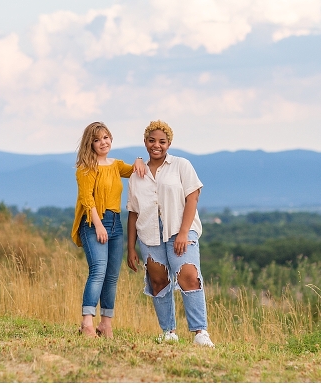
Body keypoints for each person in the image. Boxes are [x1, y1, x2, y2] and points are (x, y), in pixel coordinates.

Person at [126, 120, 215, 347]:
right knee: (158, 281)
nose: (157, 145)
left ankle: (200, 332)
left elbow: (192, 198)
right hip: (149, 233)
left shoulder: (181, 165)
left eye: (162, 141)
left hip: (179, 229)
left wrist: (184, 233)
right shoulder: (137, 175)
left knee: (189, 276)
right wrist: (130, 248)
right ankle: (168, 332)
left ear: (169, 143)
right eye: (152, 140)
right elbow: (133, 213)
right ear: (145, 142)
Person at [72, 121, 145, 338]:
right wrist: (98, 225)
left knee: (112, 276)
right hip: (94, 223)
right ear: (90, 144)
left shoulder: (115, 165)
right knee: (98, 271)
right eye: (97, 140)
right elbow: (87, 199)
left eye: (105, 137)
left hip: (116, 223)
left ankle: (105, 324)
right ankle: (87, 323)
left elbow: (135, 170)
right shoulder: (86, 168)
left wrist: (140, 159)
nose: (103, 142)